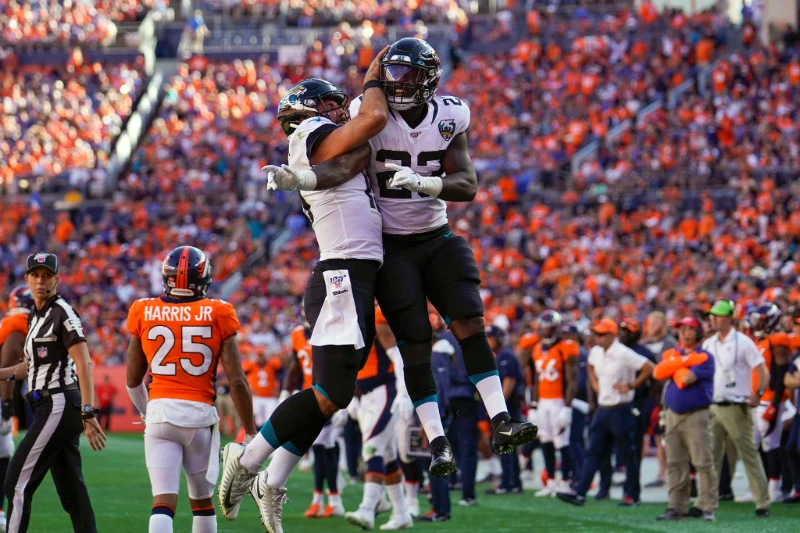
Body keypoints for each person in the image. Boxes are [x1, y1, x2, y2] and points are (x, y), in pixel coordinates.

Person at [276, 37, 536, 472]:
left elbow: (467, 182)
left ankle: (502, 419)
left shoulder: (450, 115)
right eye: (393, 73)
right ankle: (438, 443)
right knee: (416, 343)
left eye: (410, 74)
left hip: (436, 234)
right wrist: (301, 178)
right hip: (392, 247)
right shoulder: (366, 112)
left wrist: (428, 184)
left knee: (469, 319)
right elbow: (343, 165)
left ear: (430, 79)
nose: (399, 83)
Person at [220, 47, 393, 533]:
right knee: (333, 390)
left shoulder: (324, 139)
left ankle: (271, 480)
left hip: (354, 272)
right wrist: (370, 92)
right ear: (310, 109)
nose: (342, 110)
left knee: (333, 395)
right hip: (339, 272)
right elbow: (367, 131)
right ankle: (249, 458)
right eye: (334, 104)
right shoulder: (308, 132)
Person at [125, 245, 257, 533]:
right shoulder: (219, 311)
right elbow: (236, 381)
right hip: (199, 416)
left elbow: (133, 380)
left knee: (162, 501)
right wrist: (250, 431)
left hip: (160, 412)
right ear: (205, 277)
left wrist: (150, 413)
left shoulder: (143, 309)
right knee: (202, 502)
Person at [2, 252, 106, 533]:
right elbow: (30, 367)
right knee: (72, 491)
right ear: (26, 279)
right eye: (35, 275)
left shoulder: (62, 311)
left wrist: (88, 410)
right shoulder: (36, 316)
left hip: (58, 402)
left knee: (17, 482)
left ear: (57, 279)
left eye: (47, 275)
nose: (40, 281)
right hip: (50, 405)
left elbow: (84, 363)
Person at [557, 318, 654, 507]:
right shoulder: (596, 352)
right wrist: (594, 384)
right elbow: (591, 367)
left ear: (612, 335)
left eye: (601, 334)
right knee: (594, 451)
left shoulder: (623, 353)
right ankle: (580, 492)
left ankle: (632, 495)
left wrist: (631, 385)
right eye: (596, 334)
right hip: (603, 409)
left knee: (627, 454)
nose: (597, 337)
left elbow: (648, 367)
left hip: (621, 409)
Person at [344, 307, 414, 531]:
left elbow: (397, 356)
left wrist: (403, 392)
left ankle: (367, 508)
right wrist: (353, 396)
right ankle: (401, 513)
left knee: (371, 449)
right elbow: (357, 366)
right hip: (367, 396)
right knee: (387, 456)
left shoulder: (375, 318)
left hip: (385, 391)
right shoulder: (352, 322)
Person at [702, 299, 771, 517]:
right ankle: (706, 502)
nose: (713, 319)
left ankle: (762, 502)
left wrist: (757, 393)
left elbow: (762, 371)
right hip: (713, 405)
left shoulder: (743, 342)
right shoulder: (708, 344)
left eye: (718, 315)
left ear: (729, 317)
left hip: (736, 406)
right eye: (712, 315)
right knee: (710, 457)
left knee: (748, 454)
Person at [652, 317, 717, 522]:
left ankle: (707, 506)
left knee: (702, 462)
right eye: (682, 330)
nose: (684, 333)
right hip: (672, 414)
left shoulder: (706, 357)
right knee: (675, 462)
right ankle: (676, 506)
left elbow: (685, 380)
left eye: (689, 329)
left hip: (696, 414)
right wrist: (685, 361)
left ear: (698, 333)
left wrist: (674, 363)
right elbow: (658, 372)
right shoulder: (686, 357)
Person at [529, 310, 579, 497]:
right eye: (544, 329)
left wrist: (567, 407)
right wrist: (533, 405)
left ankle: (565, 481)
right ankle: (550, 481)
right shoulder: (537, 349)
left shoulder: (567, 347)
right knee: (546, 441)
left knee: (562, 443)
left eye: (550, 329)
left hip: (558, 401)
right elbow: (536, 379)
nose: (546, 332)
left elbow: (572, 379)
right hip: (543, 402)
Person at [745, 303, 791, 503]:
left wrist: (775, 402)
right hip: (756, 399)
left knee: (770, 444)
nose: (756, 323)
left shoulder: (777, 341)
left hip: (770, 399)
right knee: (752, 445)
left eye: (761, 320)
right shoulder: (758, 341)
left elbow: (781, 375)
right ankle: (756, 487)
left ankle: (774, 488)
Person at [0, 285, 33, 531]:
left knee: (3, 452)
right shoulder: (19, 323)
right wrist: (7, 404)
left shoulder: (11, 321)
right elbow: (7, 366)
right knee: (3, 449)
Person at [485, 326, 525, 495]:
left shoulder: (505, 355)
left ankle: (509, 483)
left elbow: (509, 380)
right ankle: (513, 482)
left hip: (509, 407)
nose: (487, 341)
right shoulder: (501, 354)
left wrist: (498, 406)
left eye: (490, 337)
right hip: (509, 406)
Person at [642, 311, 677, 489]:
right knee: (656, 434)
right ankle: (662, 470)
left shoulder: (669, 344)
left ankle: (669, 471)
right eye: (650, 323)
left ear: (663, 325)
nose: (651, 327)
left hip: (664, 394)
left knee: (666, 434)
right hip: (650, 396)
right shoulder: (645, 344)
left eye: (655, 323)